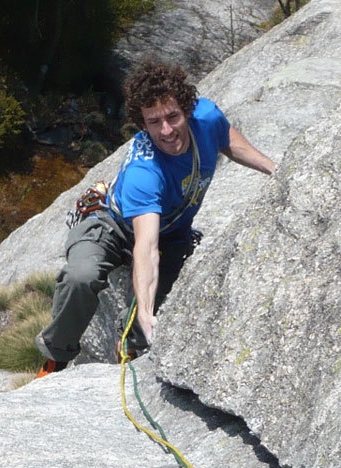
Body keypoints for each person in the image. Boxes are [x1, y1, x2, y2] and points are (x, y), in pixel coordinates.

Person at [35, 61, 276, 377]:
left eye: (173, 117)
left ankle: (131, 345)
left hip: (171, 231)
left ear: (187, 110)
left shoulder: (207, 117)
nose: (166, 130)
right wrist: (147, 314)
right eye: (154, 122)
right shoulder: (144, 172)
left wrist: (274, 169)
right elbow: (145, 246)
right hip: (113, 225)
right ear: (142, 124)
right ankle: (56, 356)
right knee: (81, 276)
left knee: (171, 284)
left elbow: (228, 139)